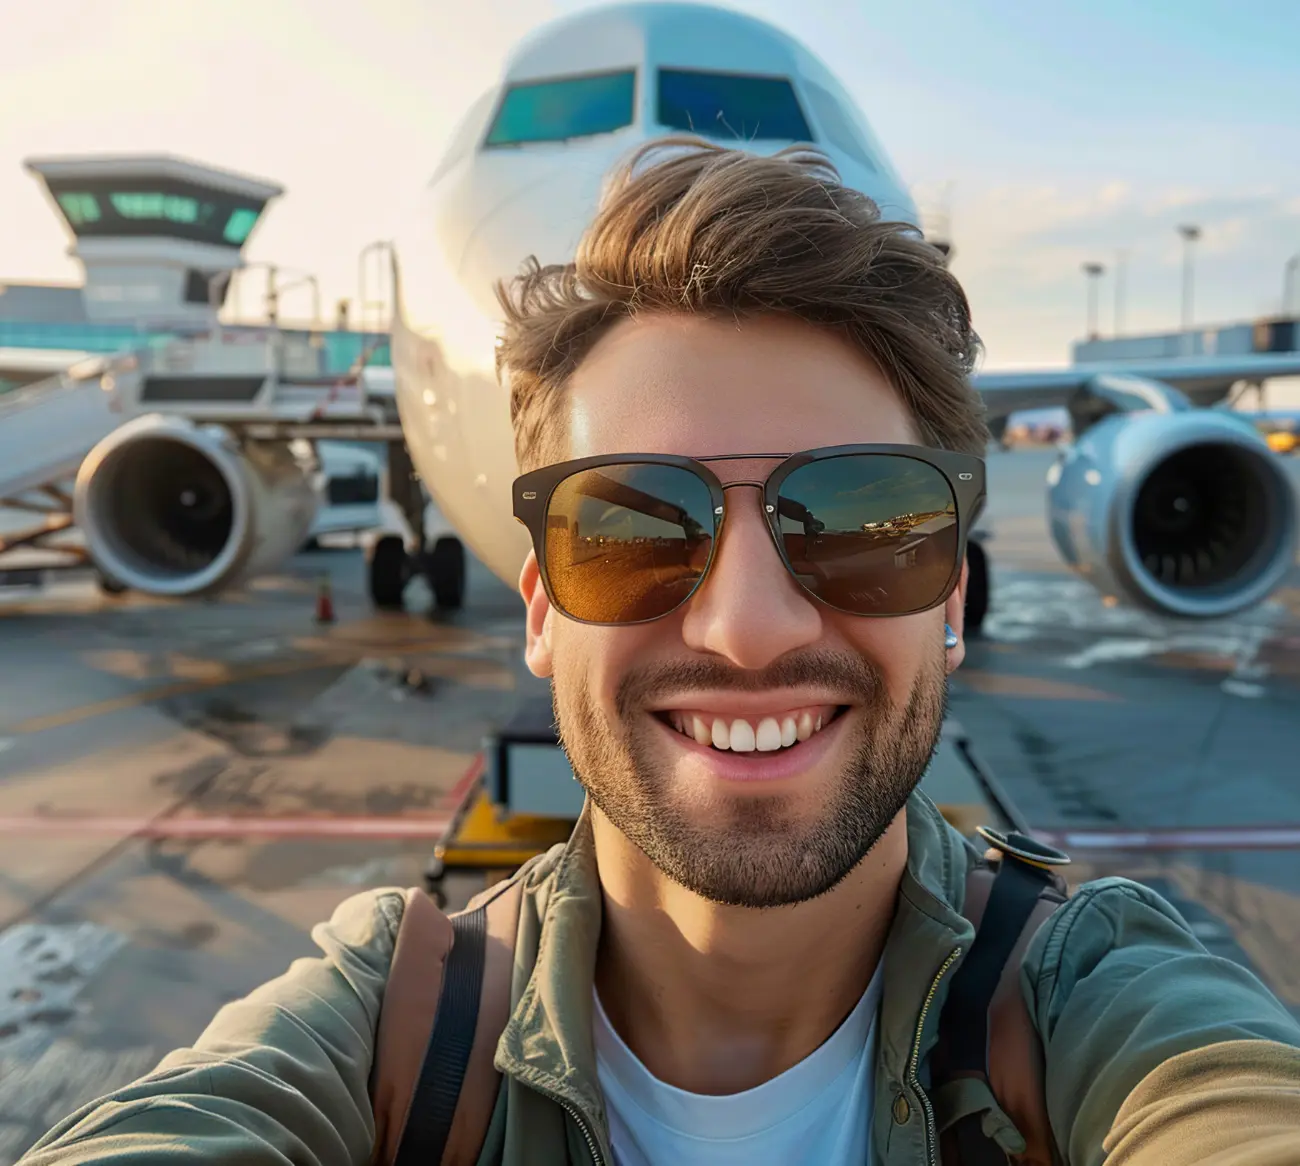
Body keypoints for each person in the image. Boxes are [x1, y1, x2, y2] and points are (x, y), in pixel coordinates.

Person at [19, 139, 1300, 1166]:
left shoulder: (1102, 1005)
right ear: (537, 606)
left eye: (863, 521)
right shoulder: (392, 1026)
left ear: (953, 592)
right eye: (628, 526)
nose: (748, 625)